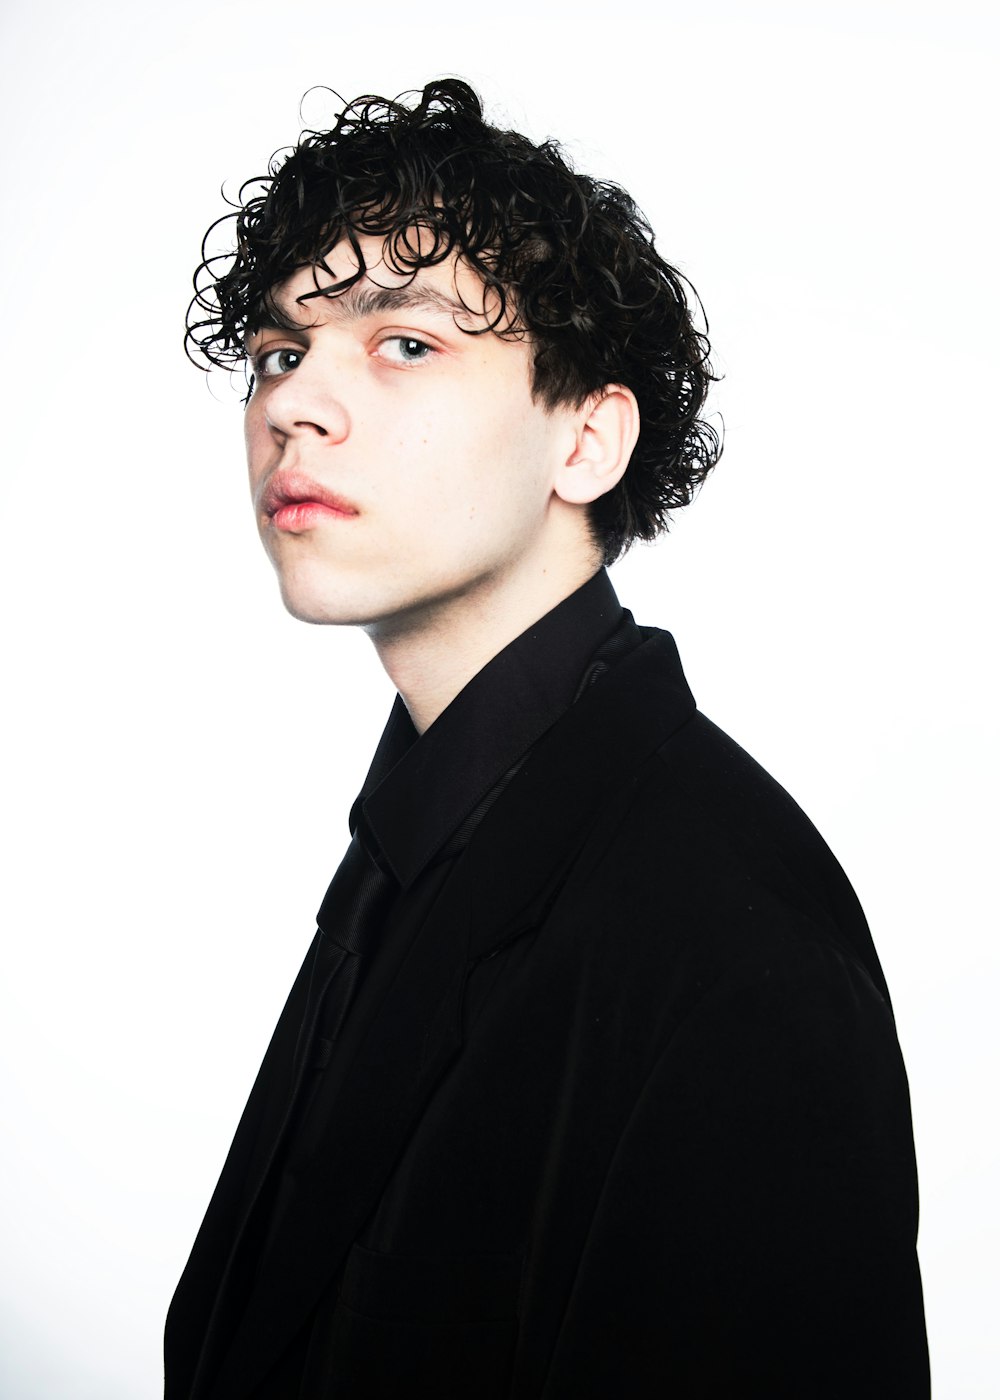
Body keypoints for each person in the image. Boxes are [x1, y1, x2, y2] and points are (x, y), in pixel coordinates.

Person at [165, 79, 929, 1399]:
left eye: (405, 343)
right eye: (282, 350)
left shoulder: (723, 929)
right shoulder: (422, 844)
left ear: (586, 437)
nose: (295, 403)